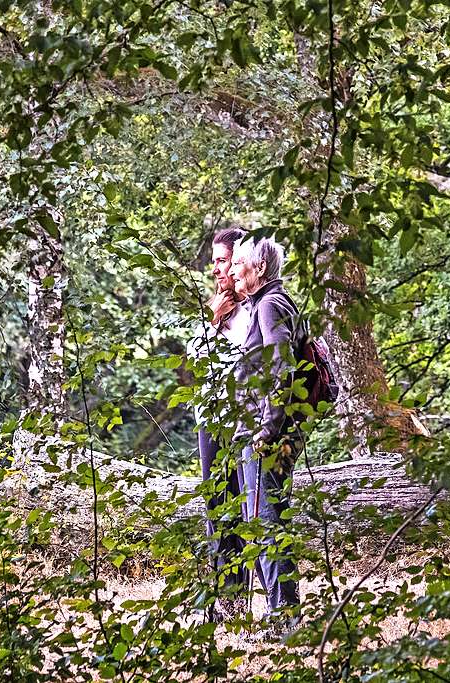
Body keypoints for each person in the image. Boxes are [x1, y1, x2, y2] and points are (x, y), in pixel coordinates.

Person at [228, 235, 303, 618]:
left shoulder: (271, 305)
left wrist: (266, 429)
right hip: (258, 429)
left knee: (265, 521)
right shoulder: (266, 303)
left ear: (258, 268)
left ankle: (284, 617)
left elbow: (281, 367)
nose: (231, 270)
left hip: (265, 434)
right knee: (257, 520)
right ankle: (281, 612)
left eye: (238, 262)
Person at [190, 226, 251, 617]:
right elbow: (196, 358)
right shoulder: (220, 305)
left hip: (243, 420)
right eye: (213, 262)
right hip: (210, 420)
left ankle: (256, 599)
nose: (215, 269)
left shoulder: (257, 307)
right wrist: (214, 316)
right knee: (218, 508)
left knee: (251, 509)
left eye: (222, 261)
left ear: (240, 260)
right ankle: (225, 602)